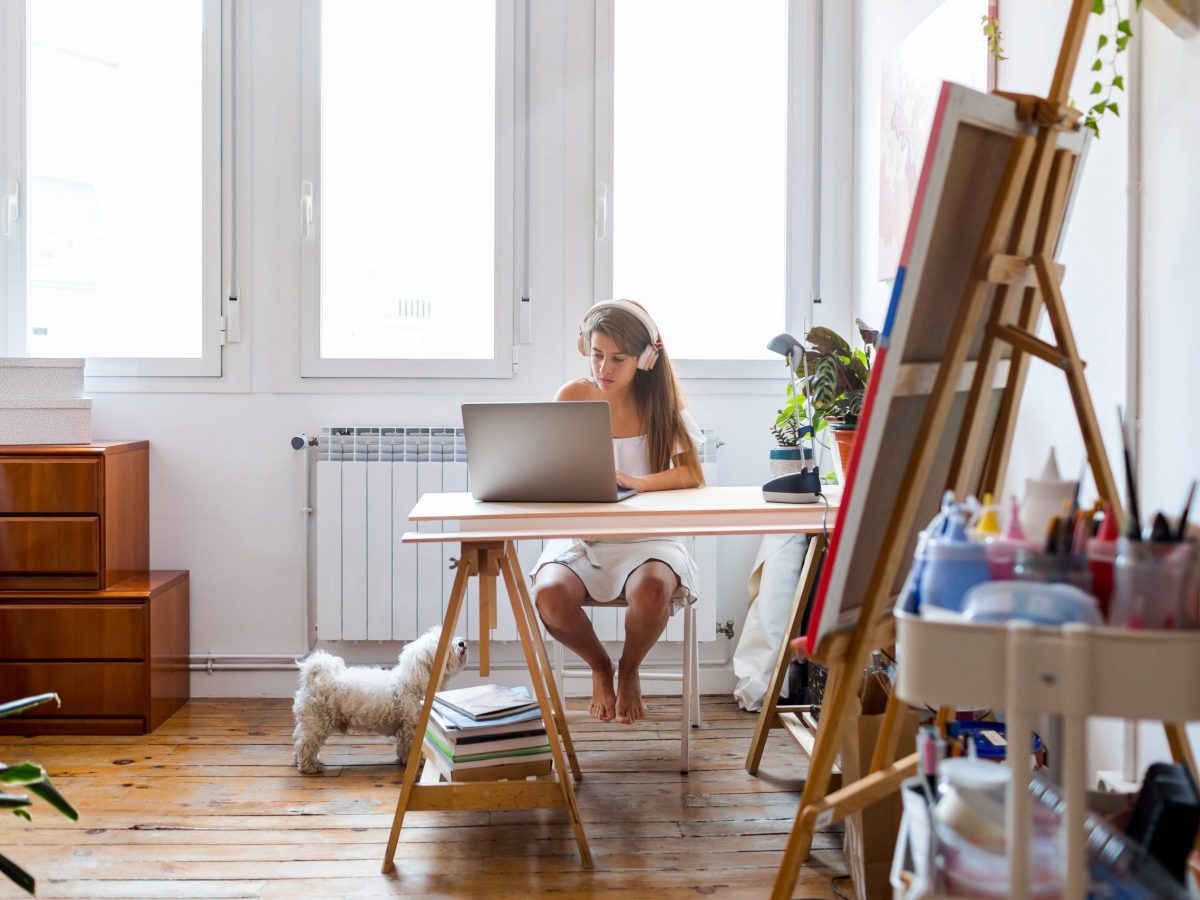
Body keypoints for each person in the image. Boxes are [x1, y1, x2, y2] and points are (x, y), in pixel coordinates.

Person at [531, 299, 705, 724]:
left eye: (617, 359)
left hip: (649, 540)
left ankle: (629, 669)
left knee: (651, 593)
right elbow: (551, 465)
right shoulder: (573, 396)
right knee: (549, 597)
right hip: (583, 538)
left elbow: (691, 474)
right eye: (596, 355)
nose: (603, 368)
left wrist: (637, 481)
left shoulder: (660, 404)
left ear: (644, 359)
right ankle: (600, 666)